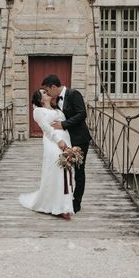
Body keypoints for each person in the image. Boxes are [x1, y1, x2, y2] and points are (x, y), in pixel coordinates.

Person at [19, 89, 74, 220]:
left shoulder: (57, 109)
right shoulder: (37, 111)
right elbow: (46, 128)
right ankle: (56, 206)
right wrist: (58, 140)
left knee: (68, 171)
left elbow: (65, 123)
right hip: (53, 142)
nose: (47, 92)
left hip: (66, 140)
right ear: (40, 99)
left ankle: (65, 204)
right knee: (57, 169)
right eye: (43, 92)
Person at [41, 74, 91, 213]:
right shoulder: (55, 101)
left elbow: (82, 114)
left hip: (80, 139)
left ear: (54, 87)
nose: (48, 94)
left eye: (48, 90)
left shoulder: (74, 94)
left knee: (79, 170)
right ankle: (64, 199)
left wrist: (63, 124)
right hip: (66, 140)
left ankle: (77, 201)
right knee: (65, 170)